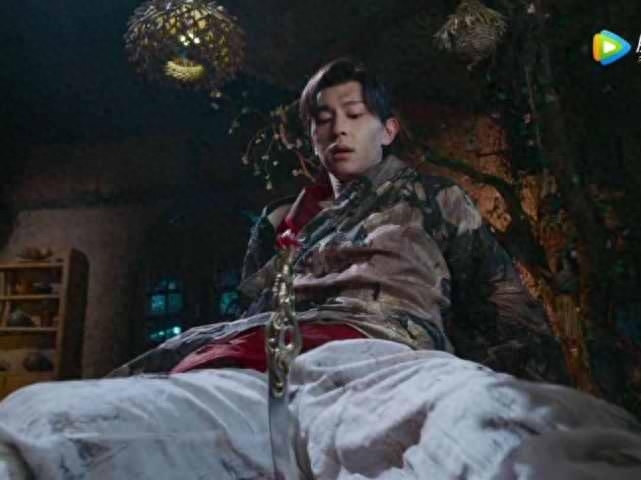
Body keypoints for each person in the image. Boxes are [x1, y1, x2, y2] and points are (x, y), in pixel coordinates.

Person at [1, 59, 640, 480]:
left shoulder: (434, 198)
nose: (338, 129)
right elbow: (249, 311)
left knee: (519, 434)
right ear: (309, 136)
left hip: (384, 366)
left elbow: (505, 306)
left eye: (355, 114)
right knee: (37, 426)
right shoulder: (278, 221)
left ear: (389, 129)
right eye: (323, 118)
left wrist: (539, 378)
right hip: (250, 378)